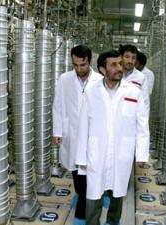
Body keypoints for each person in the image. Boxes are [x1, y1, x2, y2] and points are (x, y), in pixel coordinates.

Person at [76, 50, 150, 225]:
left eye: (120, 63)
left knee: (118, 191)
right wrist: (81, 157)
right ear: (103, 69)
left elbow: (142, 125)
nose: (120, 68)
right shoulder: (91, 91)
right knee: (94, 193)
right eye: (114, 65)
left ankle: (112, 222)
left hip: (121, 151)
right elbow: (83, 126)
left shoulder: (133, 91)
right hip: (97, 151)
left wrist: (141, 154)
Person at [52, 45, 102, 225]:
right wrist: (57, 130)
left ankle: (82, 210)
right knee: (76, 171)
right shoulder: (64, 79)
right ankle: (82, 196)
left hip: (92, 134)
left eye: (83, 65)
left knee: (89, 172)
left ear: (90, 61)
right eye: (75, 65)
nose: (79, 69)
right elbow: (57, 105)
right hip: (71, 132)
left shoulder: (100, 80)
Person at [119, 45, 150, 110]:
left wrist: (143, 120)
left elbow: (145, 102)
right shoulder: (114, 74)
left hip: (132, 117)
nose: (130, 61)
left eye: (133, 58)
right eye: (127, 57)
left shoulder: (141, 78)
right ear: (121, 57)